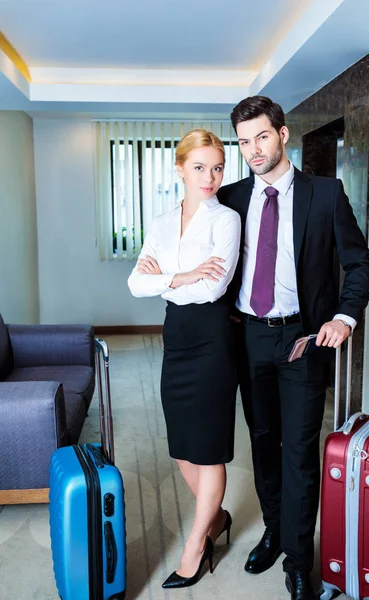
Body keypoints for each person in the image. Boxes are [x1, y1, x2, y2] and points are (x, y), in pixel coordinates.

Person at [217, 96, 369, 600]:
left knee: (301, 453)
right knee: (263, 442)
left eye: (261, 136)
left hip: (302, 338)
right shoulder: (232, 198)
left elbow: (359, 264)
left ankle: (298, 559)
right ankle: (274, 531)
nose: (253, 150)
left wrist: (344, 317)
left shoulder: (325, 194)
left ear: (282, 134)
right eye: (243, 141)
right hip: (248, 335)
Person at [128, 129, 241, 589]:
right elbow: (136, 284)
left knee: (208, 448)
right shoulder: (159, 222)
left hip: (213, 338)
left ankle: (196, 545)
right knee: (181, 446)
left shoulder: (226, 220)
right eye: (200, 167)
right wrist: (185, 274)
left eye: (217, 167)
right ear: (179, 169)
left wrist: (167, 277)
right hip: (176, 335)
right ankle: (216, 516)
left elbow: (213, 287)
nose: (210, 176)